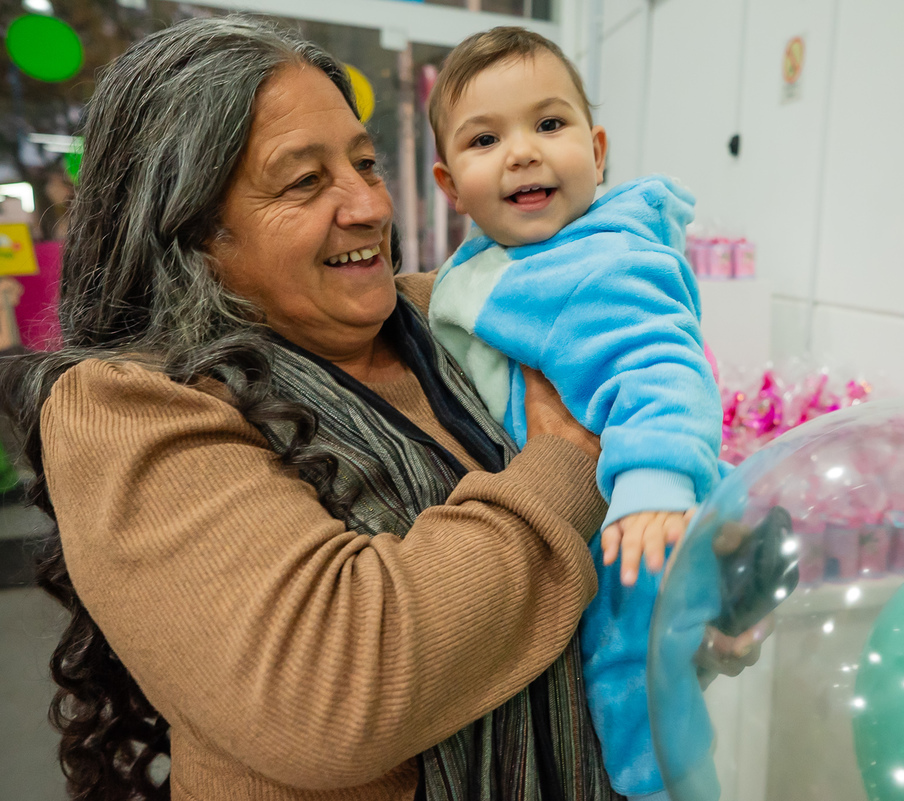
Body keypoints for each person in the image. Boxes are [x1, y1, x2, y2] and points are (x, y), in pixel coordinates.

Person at [0, 16, 619, 800]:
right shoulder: (130, 407)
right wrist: (567, 464)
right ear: (189, 229)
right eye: (303, 181)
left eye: (366, 163)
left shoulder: (455, 315)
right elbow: (329, 692)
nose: (366, 206)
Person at [425, 28, 723, 801]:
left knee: (637, 704)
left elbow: (658, 361)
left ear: (597, 149)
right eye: (485, 138)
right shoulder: (509, 263)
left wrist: (655, 480)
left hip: (629, 527)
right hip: (581, 520)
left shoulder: (598, 262)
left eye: (549, 125)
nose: (523, 152)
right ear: (448, 183)